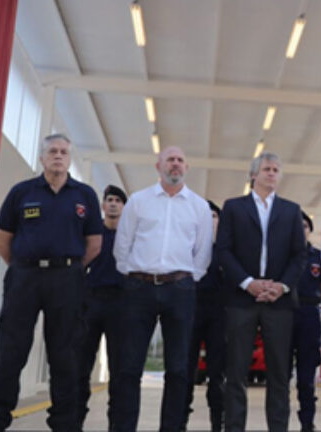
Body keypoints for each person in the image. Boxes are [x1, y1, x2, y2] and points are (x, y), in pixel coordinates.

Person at [0, 133, 104, 432]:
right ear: (42, 158)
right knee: (11, 349)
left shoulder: (84, 195)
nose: (58, 156)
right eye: (52, 151)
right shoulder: (21, 192)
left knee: (65, 354)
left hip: (67, 280)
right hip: (25, 278)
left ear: (70, 158)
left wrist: (69, 269)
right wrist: (26, 267)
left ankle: (64, 424)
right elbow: (3, 240)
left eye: (63, 151)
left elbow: (94, 244)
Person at [113, 146, 215, 432]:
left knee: (179, 368)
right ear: (158, 166)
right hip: (139, 287)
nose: (175, 165)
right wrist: (132, 273)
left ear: (187, 168)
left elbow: (202, 252)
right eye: (170, 160)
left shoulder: (199, 206)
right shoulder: (138, 201)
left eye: (181, 160)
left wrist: (187, 278)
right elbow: (123, 244)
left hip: (179, 289)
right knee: (129, 365)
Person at [215, 152, 308, 432]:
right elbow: (223, 250)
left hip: (278, 302)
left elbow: (299, 256)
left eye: (276, 169)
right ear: (253, 175)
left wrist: (280, 286)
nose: (272, 173)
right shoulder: (233, 207)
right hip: (242, 299)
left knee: (279, 374)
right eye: (266, 169)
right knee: (236, 372)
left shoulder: (291, 211)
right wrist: (247, 282)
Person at [78, 184, 128, 432]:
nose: (113, 204)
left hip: (120, 304)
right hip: (91, 301)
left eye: (118, 200)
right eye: (109, 199)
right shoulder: (91, 232)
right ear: (102, 205)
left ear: (124, 207)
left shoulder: (131, 236)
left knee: (119, 370)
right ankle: (74, 421)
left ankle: (116, 426)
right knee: (81, 365)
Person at [183, 201, 227, 432]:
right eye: (206, 215)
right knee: (185, 370)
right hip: (191, 312)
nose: (210, 219)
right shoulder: (189, 247)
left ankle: (218, 423)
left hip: (219, 316)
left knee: (217, 374)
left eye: (214, 215)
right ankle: (180, 421)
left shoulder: (226, 250)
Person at [289, 212, 321, 432]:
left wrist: (316, 299)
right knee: (280, 374)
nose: (301, 229)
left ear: (310, 230)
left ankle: (307, 423)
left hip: (308, 313)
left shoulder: (318, 256)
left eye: (305, 225)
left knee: (306, 376)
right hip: (285, 314)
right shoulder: (283, 254)